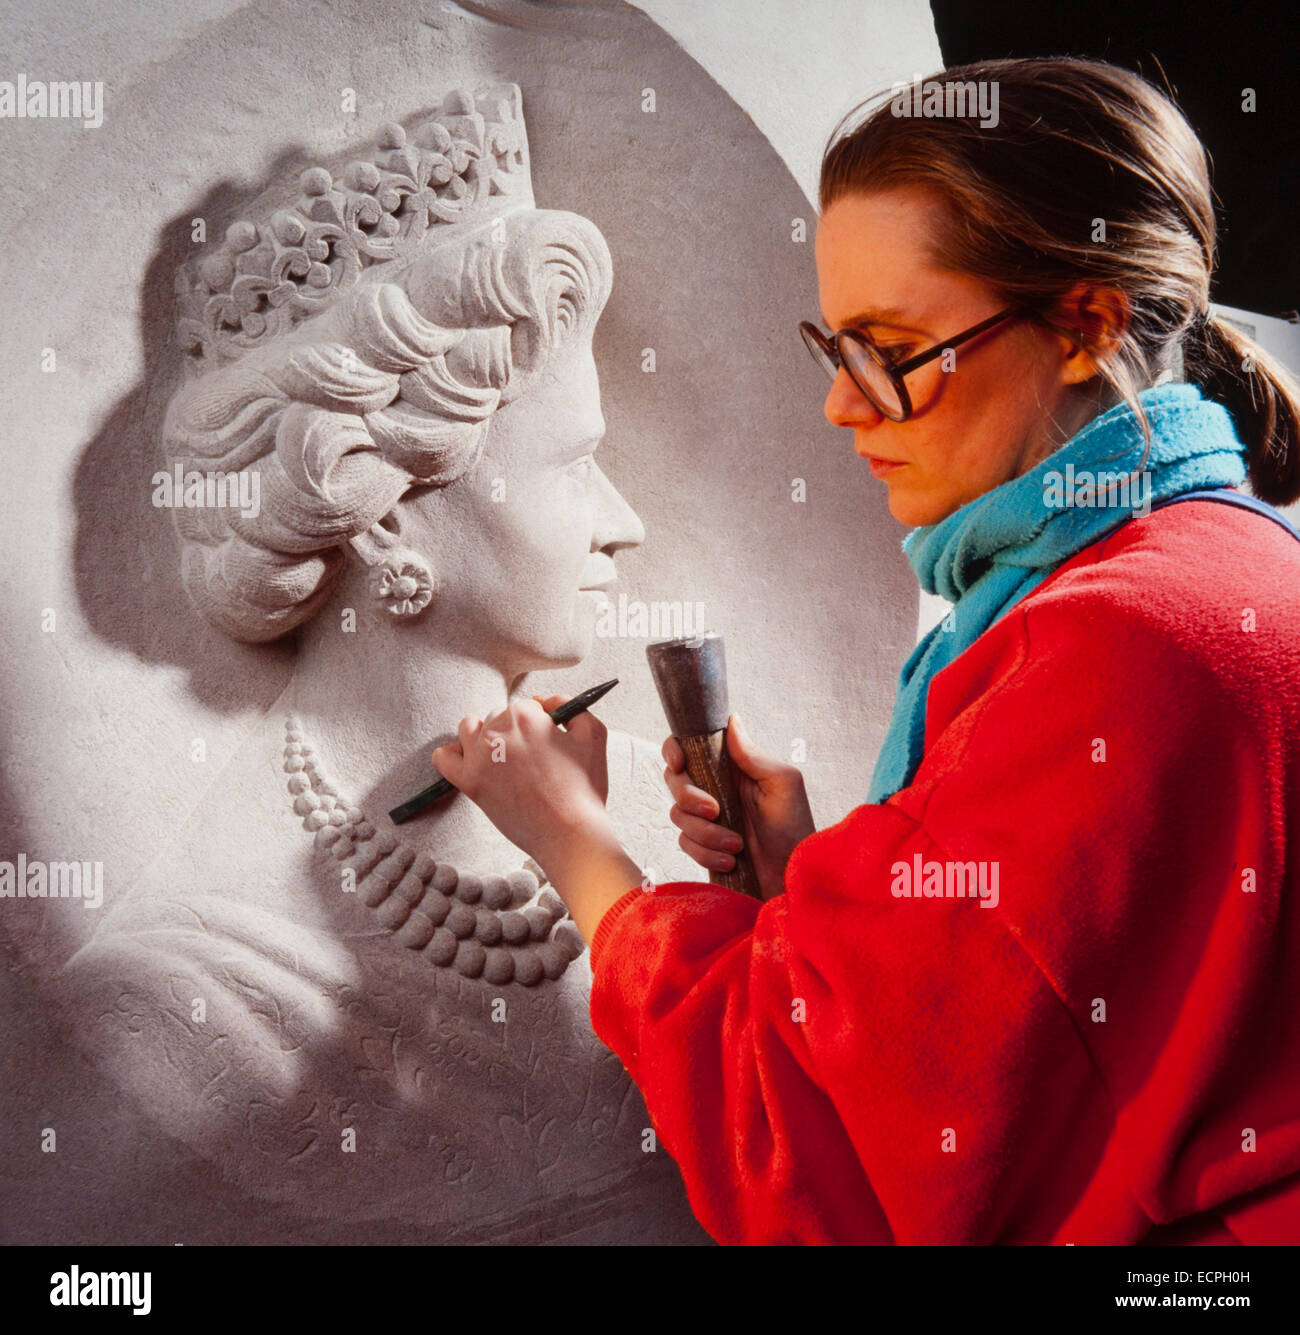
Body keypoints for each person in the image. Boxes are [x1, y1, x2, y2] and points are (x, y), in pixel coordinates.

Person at [429, 56, 1300, 1244]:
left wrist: (579, 849)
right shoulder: (1220, 567)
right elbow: (1050, 1015)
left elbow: (820, 1155)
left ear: (1085, 321)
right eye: (831, 348)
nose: (843, 407)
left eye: (889, 350)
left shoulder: (1111, 644)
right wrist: (823, 889)